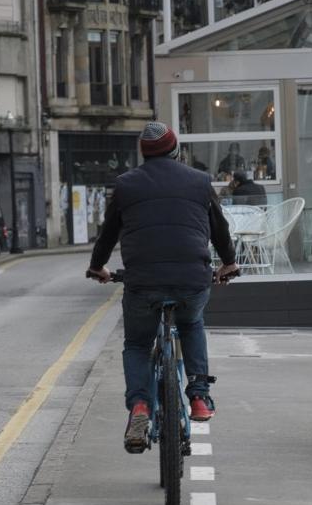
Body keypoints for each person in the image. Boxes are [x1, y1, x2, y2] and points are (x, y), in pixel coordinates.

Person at [87, 122, 240, 453]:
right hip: (191, 279)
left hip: (143, 282)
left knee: (138, 345)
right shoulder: (199, 182)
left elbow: (108, 234)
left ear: (143, 153)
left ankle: (140, 406)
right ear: (177, 151)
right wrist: (228, 263)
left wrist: (97, 267)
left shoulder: (125, 185)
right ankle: (199, 396)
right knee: (191, 322)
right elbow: (220, 230)